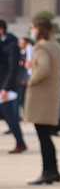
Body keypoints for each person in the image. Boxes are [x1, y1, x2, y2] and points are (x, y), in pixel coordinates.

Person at [23, 17, 60, 184]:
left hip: (41, 95)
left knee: (43, 136)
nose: (31, 31)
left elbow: (44, 68)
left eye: (33, 28)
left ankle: (47, 172)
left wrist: (32, 79)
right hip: (52, 93)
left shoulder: (41, 46)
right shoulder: (56, 45)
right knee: (46, 134)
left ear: (39, 29)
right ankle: (54, 171)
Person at [0, 20, 26, 153]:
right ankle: (20, 142)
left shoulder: (11, 45)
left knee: (10, 115)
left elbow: (12, 68)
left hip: (5, 87)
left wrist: (5, 87)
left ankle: (20, 143)